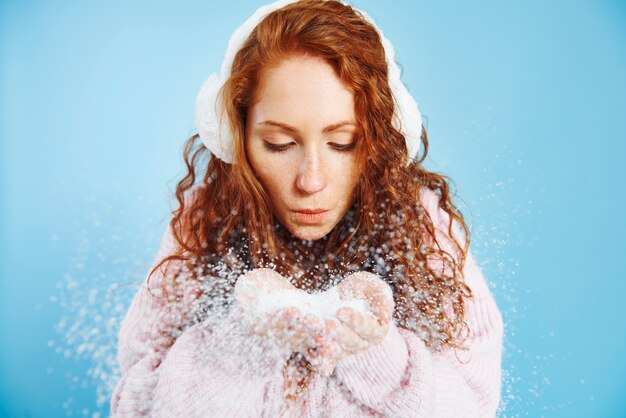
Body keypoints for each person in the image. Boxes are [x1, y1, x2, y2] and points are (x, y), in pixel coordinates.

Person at [110, 0, 504, 416]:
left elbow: (471, 403)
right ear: (236, 136)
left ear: (378, 138)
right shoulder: (205, 220)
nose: (311, 181)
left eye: (342, 143)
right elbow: (136, 406)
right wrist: (246, 338)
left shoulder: (419, 222)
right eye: (279, 145)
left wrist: (372, 348)